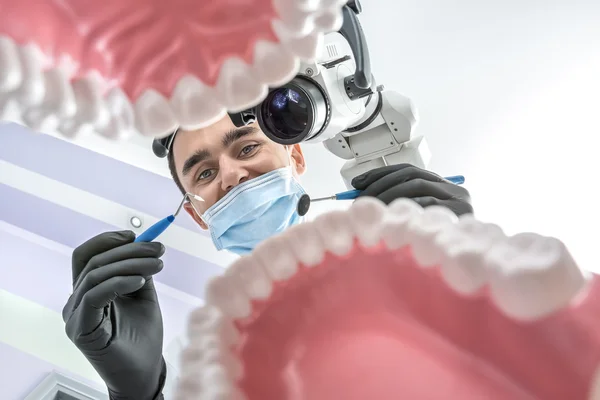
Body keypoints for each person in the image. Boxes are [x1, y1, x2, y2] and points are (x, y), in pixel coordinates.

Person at [61, 114, 474, 399]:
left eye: (246, 148)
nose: (231, 175)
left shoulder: (400, 275)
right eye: (204, 174)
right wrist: (137, 394)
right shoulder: (205, 363)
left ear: (294, 156)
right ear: (196, 215)